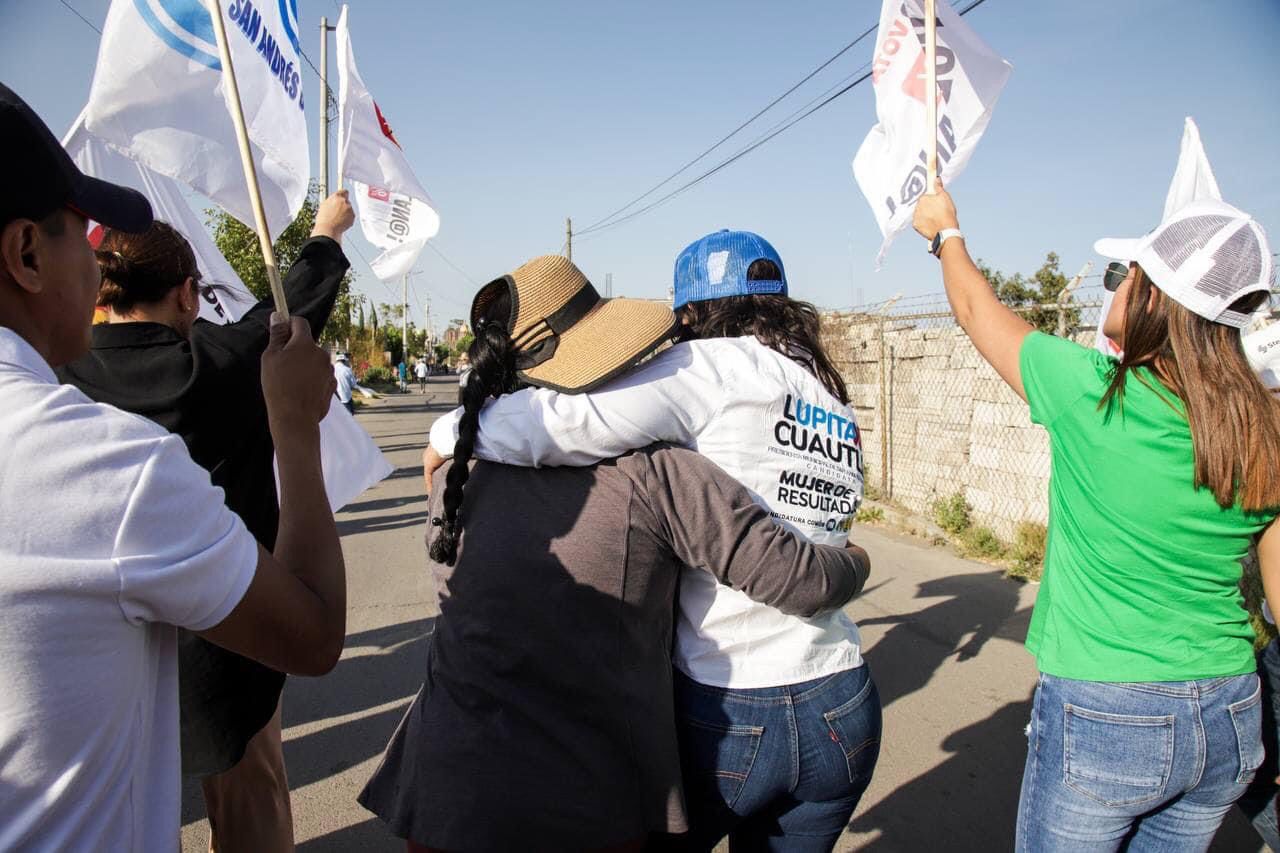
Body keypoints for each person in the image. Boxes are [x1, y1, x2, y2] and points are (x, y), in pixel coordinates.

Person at [359, 255, 872, 851]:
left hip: (447, 791)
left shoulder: (455, 474)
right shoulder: (660, 474)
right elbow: (800, 578)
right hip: (590, 800)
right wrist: (858, 557)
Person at [0, 82, 347, 849]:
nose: (92, 274)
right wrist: (294, 428)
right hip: (235, 645)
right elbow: (317, 633)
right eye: (76, 237)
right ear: (26, 253)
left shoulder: (80, 387)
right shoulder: (109, 458)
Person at [912, 179, 1280, 851]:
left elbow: (973, 306)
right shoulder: (1265, 425)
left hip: (1110, 708)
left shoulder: (1091, 393)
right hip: (1230, 706)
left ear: (1152, 296)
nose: (1117, 283)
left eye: (1126, 270)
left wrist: (945, 232)